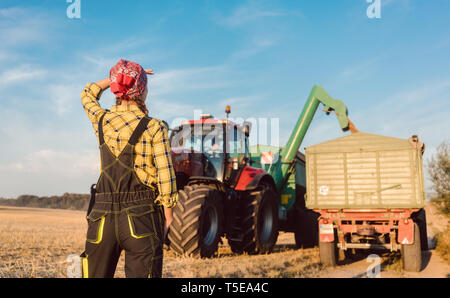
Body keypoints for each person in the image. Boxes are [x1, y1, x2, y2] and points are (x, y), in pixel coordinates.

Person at [80, 59, 178, 278]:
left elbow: (87, 94)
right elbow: (165, 174)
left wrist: (116, 78)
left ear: (116, 89)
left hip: (101, 218)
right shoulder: (154, 126)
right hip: (141, 216)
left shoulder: (102, 120)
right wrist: (168, 216)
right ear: (142, 90)